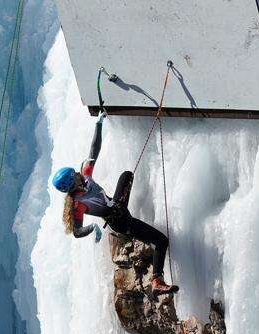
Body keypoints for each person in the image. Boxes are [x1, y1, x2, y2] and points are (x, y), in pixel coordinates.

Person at [51, 112, 179, 295]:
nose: (78, 173)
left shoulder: (85, 176)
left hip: (117, 206)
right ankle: (156, 280)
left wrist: (99, 123)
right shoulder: (78, 205)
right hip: (120, 222)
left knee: (127, 175)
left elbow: (94, 150)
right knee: (161, 240)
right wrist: (93, 229)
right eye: (75, 175)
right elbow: (77, 232)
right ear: (72, 183)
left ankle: (152, 267)